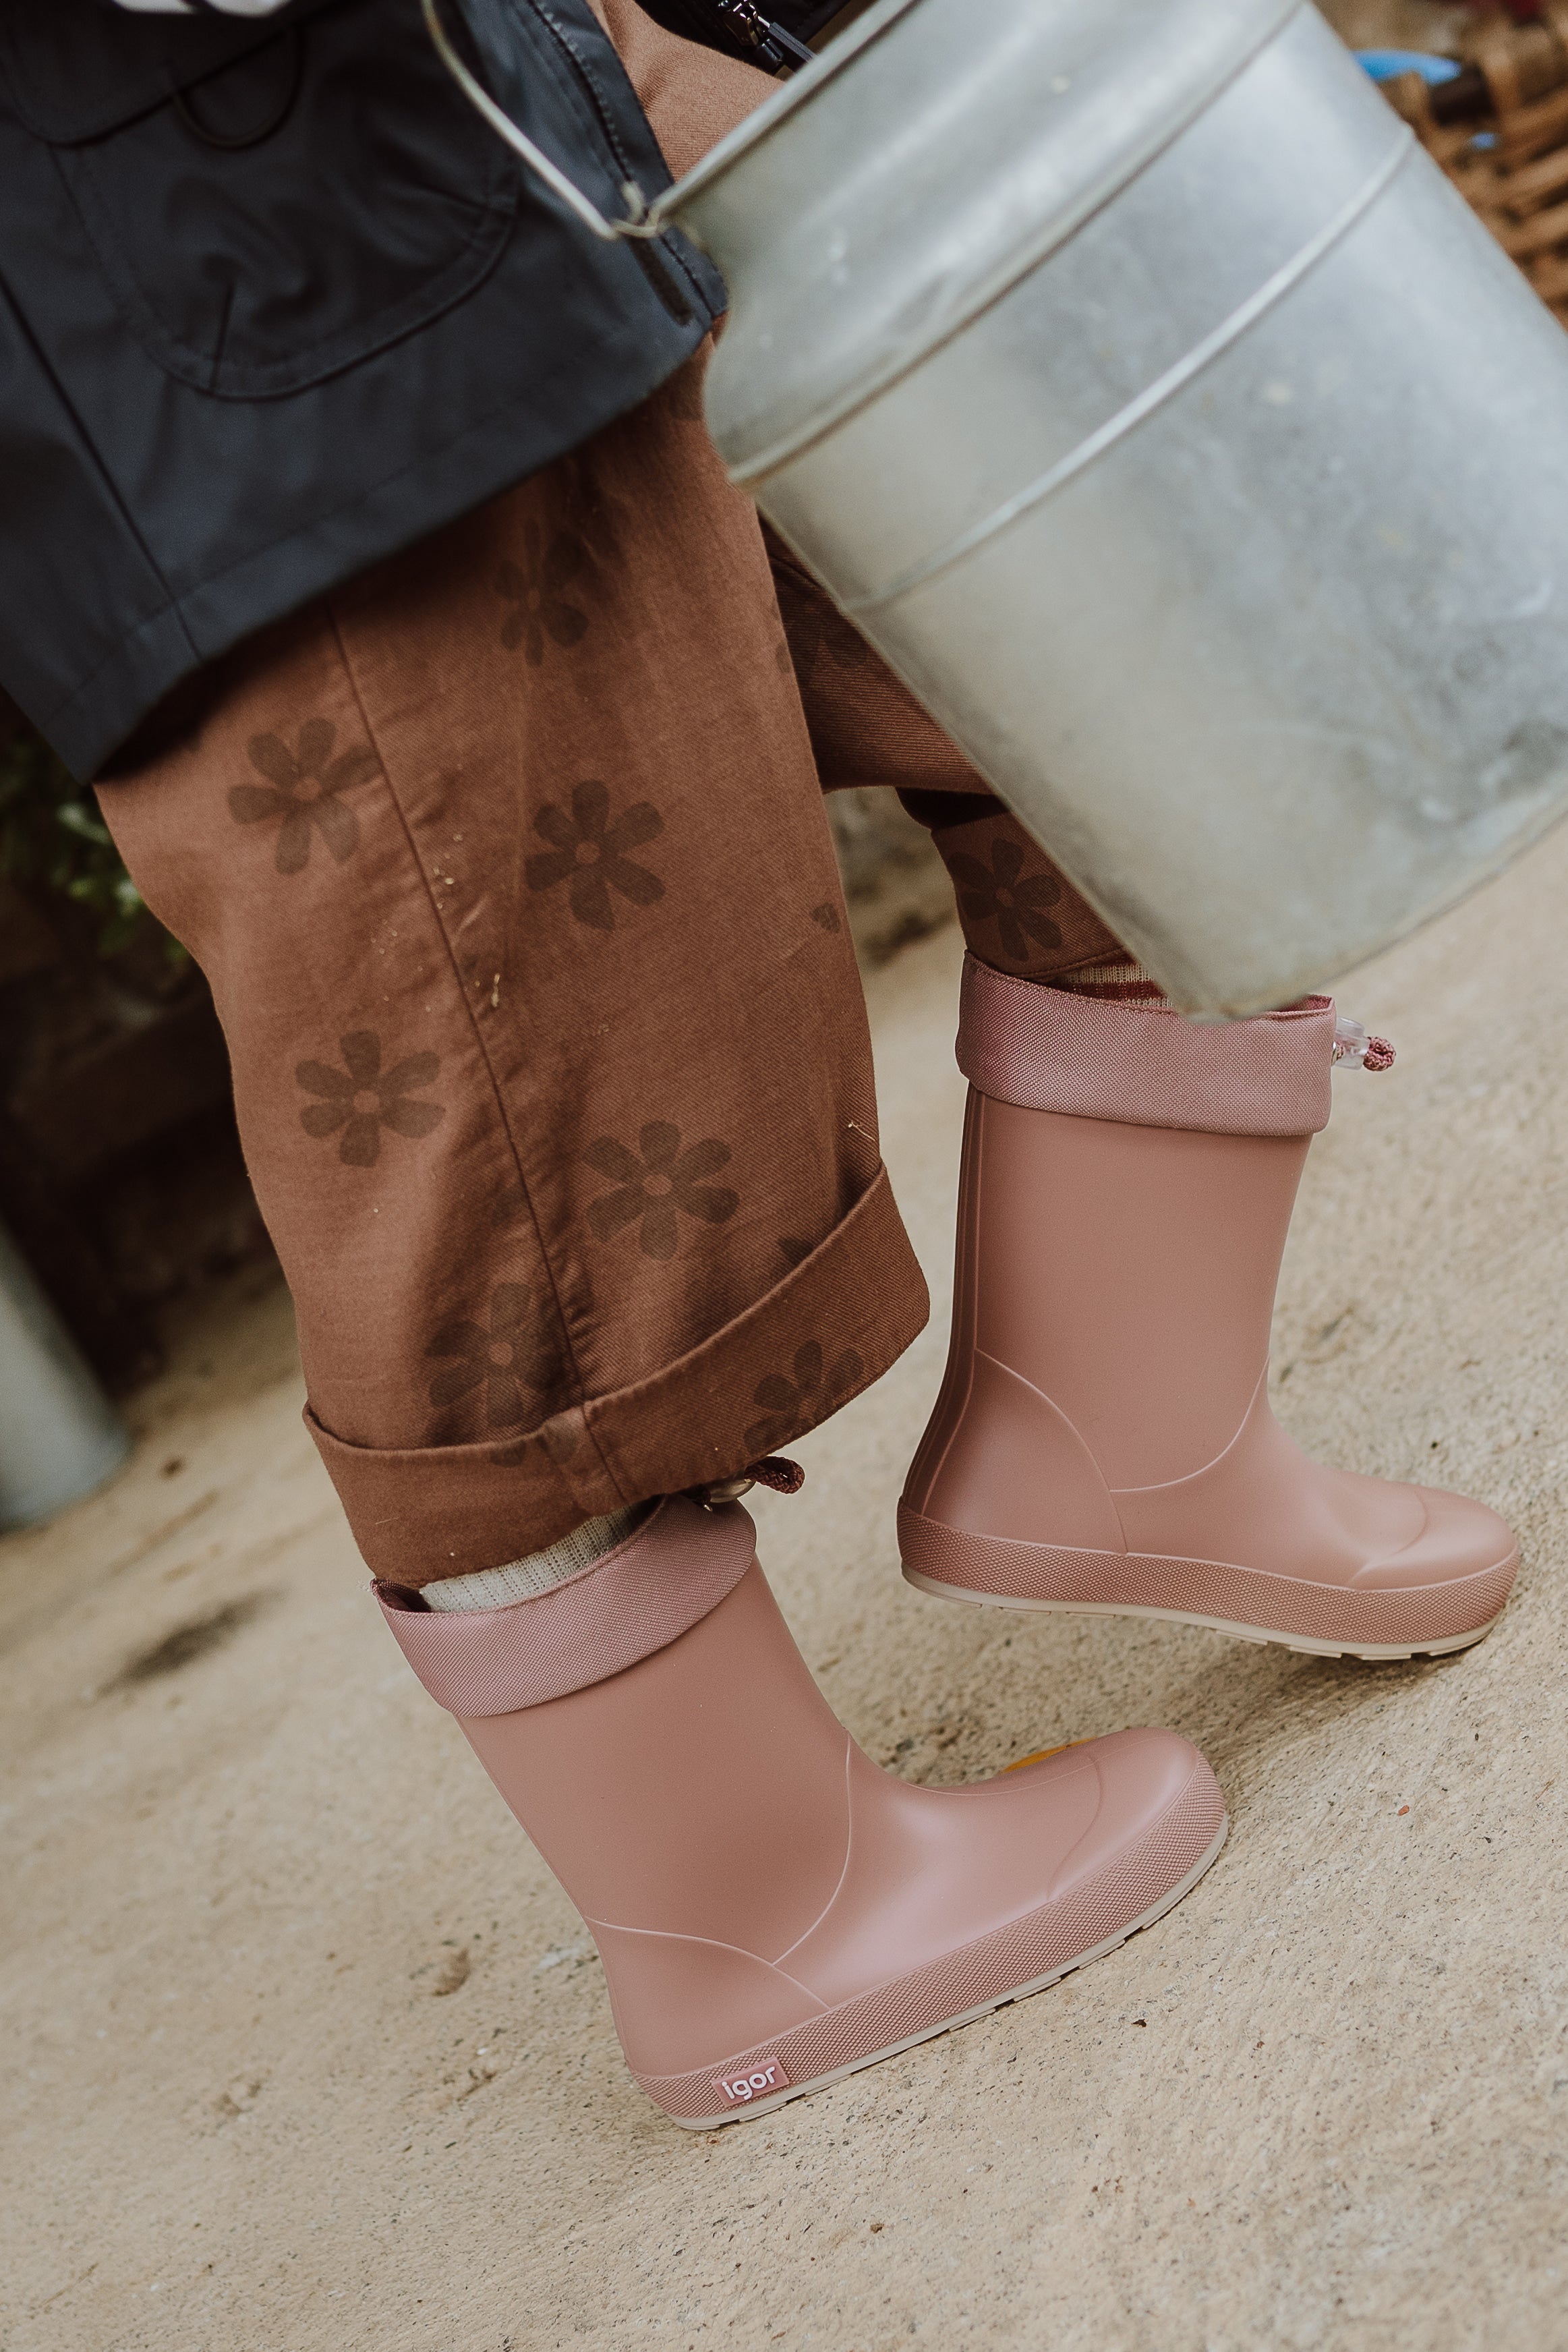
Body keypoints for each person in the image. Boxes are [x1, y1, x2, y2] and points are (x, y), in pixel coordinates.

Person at [2, 0, 1515, 2127]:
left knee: (1099, 577)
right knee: (493, 1004)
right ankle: (751, 1913)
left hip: (522, 62)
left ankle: (1127, 1429)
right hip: (206, 229)